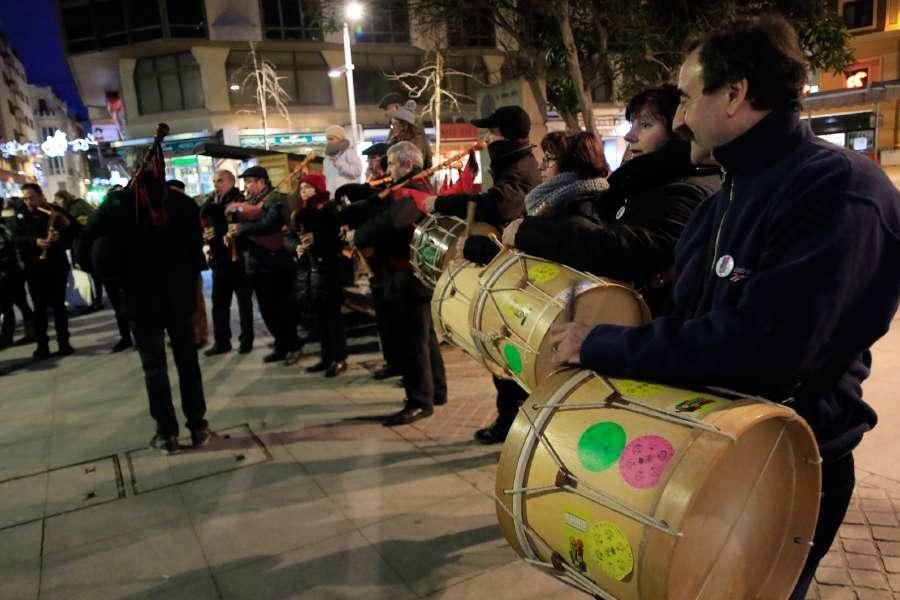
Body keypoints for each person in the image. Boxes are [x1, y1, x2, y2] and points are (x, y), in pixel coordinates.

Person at [547, 16, 900, 599]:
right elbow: (687, 321)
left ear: (735, 94)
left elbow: (763, 349)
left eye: (687, 98)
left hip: (781, 463)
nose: (680, 116)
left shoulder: (838, 192)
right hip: (707, 447)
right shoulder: (727, 194)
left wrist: (601, 343)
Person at [504, 85, 721, 316]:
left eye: (645, 125)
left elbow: (623, 251)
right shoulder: (639, 185)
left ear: (679, 128)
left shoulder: (686, 190)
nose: (630, 136)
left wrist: (532, 233)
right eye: (632, 125)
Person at [425, 105, 541, 444]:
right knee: (501, 346)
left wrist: (443, 204)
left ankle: (513, 419)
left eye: (490, 132)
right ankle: (513, 416)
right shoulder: (513, 162)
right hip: (508, 269)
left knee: (504, 346)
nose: (486, 139)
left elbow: (501, 204)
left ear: (503, 134)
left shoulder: (518, 166)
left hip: (513, 272)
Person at [81, 167, 210, 453]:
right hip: (179, 298)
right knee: (188, 363)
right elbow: (195, 250)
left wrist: (114, 281)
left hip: (141, 301)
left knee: (154, 369)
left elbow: (87, 247)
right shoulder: (183, 204)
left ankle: (167, 434)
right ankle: (198, 426)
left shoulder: (119, 208)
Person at [349, 141, 447, 425]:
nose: (387, 169)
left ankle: (419, 400)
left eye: (391, 164)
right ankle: (436, 391)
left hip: (410, 274)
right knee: (424, 337)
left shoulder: (413, 189)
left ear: (406, 164)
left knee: (412, 341)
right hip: (412, 273)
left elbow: (392, 222)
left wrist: (360, 235)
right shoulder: (412, 185)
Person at [226, 166, 302, 364]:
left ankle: (293, 345)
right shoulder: (250, 201)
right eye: (247, 182)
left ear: (261, 181)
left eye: (250, 181)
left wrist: (242, 229)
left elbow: (271, 224)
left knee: (283, 307)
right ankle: (281, 344)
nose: (248, 186)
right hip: (256, 263)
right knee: (267, 308)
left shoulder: (274, 199)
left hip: (276, 262)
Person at [291, 173, 347, 377]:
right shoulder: (302, 212)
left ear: (318, 189)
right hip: (311, 270)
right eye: (301, 188)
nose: (303, 191)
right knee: (320, 316)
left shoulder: (329, 209)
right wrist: (297, 247)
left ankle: (339, 358)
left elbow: (339, 239)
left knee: (333, 316)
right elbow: (292, 236)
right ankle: (326, 357)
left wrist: (318, 238)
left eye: (308, 187)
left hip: (330, 269)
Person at [12, 183, 76, 360]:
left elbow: (73, 229)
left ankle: (64, 343)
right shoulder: (20, 214)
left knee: (58, 307)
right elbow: (16, 239)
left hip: (56, 266)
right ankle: (42, 346)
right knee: (39, 309)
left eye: (31, 197)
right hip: (34, 268)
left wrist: (60, 235)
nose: (28, 201)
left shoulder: (54, 210)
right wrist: (35, 241)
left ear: (40, 195)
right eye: (25, 198)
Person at [200, 169, 254, 356]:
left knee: (244, 303)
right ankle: (222, 342)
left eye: (221, 180)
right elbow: (204, 219)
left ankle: (246, 340)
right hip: (219, 260)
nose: (216, 184)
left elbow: (245, 224)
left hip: (237, 258)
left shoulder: (240, 200)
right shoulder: (211, 201)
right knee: (219, 303)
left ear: (231, 182)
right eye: (214, 181)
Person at [0, 196, 34, 346]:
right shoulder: (8, 222)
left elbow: (5, 248)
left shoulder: (5, 225)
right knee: (18, 303)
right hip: (14, 269)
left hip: (8, 271)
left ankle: (7, 337)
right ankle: (30, 331)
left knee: (8, 305)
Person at [387, 100, 433, 169]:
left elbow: (427, 162)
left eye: (394, 125)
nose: (393, 129)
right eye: (392, 125)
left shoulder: (416, 143)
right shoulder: (395, 141)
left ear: (404, 126)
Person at [323, 125, 363, 195]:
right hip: (332, 195)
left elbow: (357, 171)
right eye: (327, 139)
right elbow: (327, 178)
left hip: (347, 194)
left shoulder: (349, 152)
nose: (328, 142)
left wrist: (339, 164)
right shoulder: (328, 157)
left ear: (340, 139)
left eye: (331, 139)